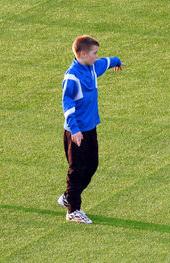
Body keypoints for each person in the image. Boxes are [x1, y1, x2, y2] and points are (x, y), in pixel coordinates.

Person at [58, 35, 125, 223]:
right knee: (76, 169)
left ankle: (68, 197)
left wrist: (117, 62)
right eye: (94, 53)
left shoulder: (92, 67)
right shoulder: (72, 77)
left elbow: (107, 62)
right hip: (75, 132)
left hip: (90, 129)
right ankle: (73, 211)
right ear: (83, 54)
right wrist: (75, 130)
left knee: (92, 165)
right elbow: (67, 104)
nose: (97, 56)